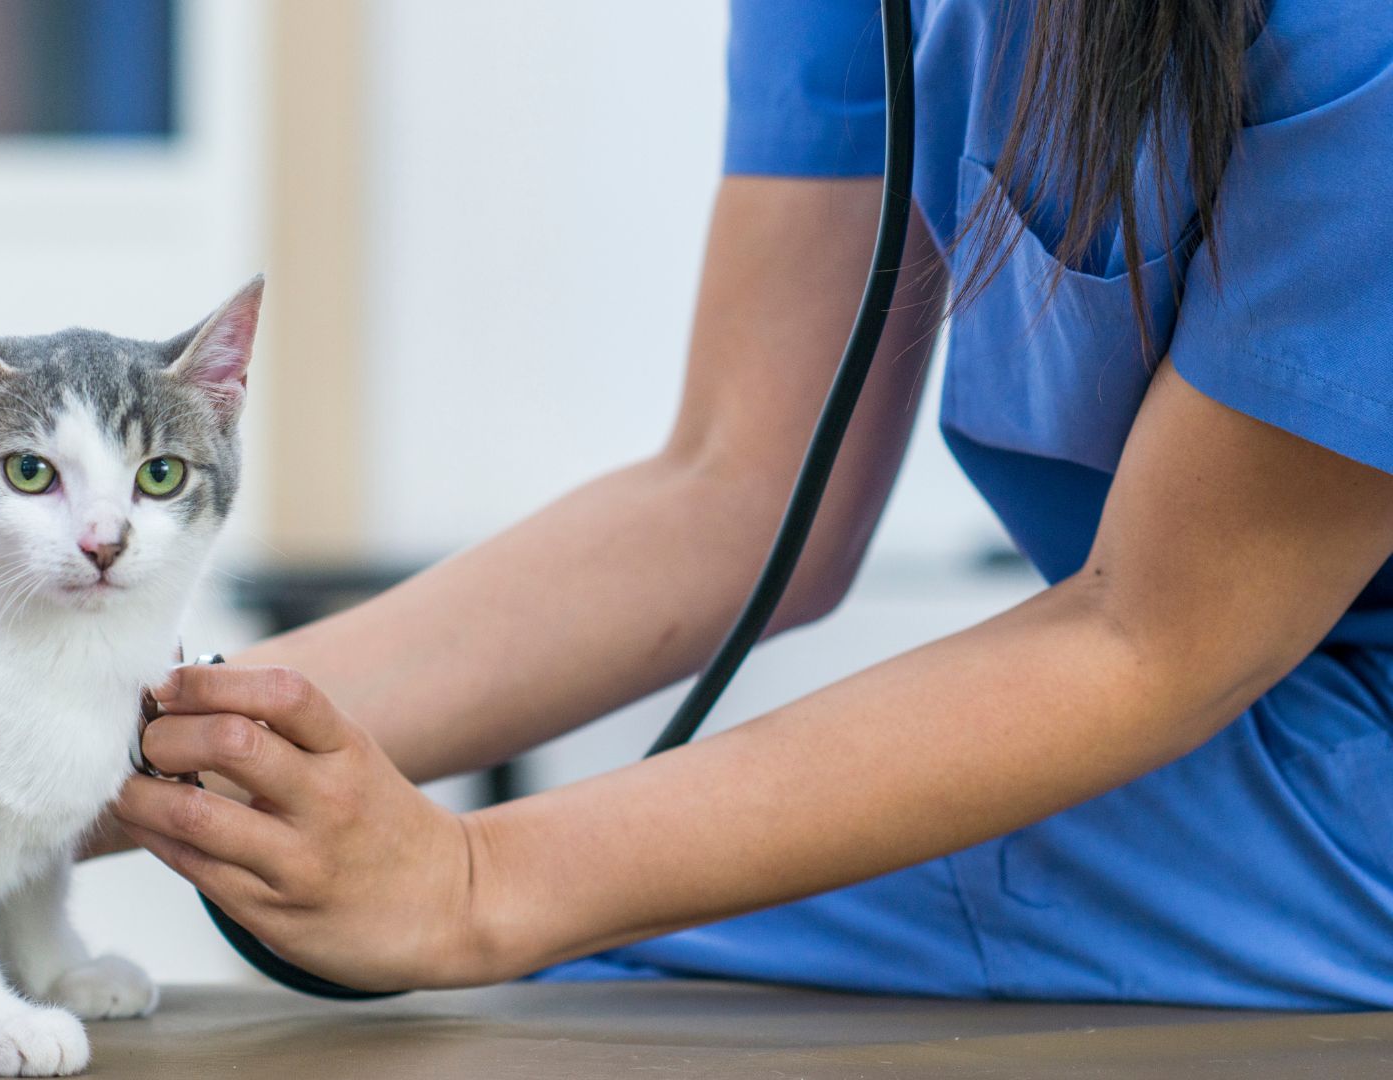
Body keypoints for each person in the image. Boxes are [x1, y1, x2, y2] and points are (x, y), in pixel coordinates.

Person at [97, 0, 1393, 1008]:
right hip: (1204, 701)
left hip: (1312, 761)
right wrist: (67, 756)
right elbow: (730, 488)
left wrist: (476, 883)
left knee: (595, 978)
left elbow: (1161, 636)